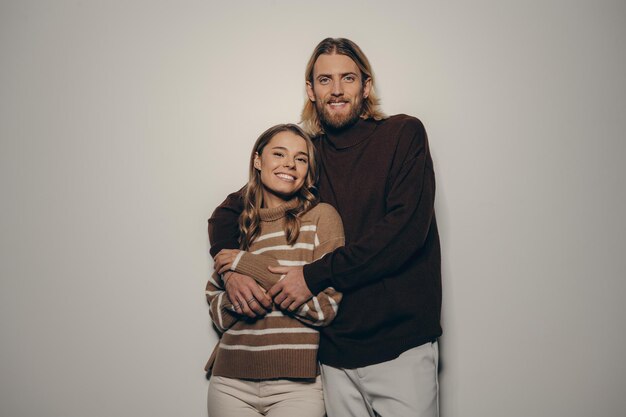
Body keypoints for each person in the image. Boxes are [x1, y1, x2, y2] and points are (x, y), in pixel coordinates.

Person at [209, 38, 442, 417]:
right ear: (310, 90)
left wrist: (314, 275)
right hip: (330, 355)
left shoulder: (402, 134)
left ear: (366, 86)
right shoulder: (307, 155)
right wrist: (230, 267)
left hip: (401, 343)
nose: (336, 90)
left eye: (347, 78)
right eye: (324, 80)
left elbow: (404, 233)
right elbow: (229, 210)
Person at [205, 123, 344, 417]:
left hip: (297, 387)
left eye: (301, 158)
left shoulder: (322, 218)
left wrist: (249, 266)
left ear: (309, 169)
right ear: (258, 160)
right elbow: (217, 313)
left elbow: (325, 309)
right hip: (229, 382)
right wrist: (243, 295)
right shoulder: (238, 226)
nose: (289, 164)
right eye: (278, 154)